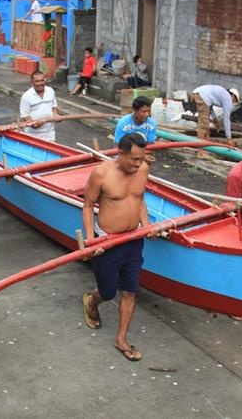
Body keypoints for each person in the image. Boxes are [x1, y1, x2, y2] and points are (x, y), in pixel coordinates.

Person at [81, 133, 155, 362]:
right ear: (120, 152)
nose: (138, 164)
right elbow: (87, 205)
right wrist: (91, 239)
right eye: (133, 159)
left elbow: (140, 199)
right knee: (108, 291)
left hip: (133, 240)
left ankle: (121, 338)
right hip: (107, 241)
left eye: (141, 159)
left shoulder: (142, 170)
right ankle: (91, 301)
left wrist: (146, 224)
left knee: (131, 291)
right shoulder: (101, 173)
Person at [191, 85, 240, 153]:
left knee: (205, 120)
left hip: (197, 93)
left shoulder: (223, 94)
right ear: (233, 96)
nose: (233, 103)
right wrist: (229, 138)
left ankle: (206, 141)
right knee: (203, 124)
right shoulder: (228, 98)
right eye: (235, 101)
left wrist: (215, 120)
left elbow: (209, 108)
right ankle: (200, 151)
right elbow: (227, 119)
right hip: (202, 95)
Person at [19, 71, 59, 141]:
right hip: (32, 134)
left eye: (42, 80)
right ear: (32, 83)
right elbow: (25, 115)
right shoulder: (26, 96)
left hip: (49, 133)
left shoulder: (50, 91)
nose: (40, 83)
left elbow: (54, 106)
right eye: (37, 81)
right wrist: (33, 123)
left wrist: (55, 115)